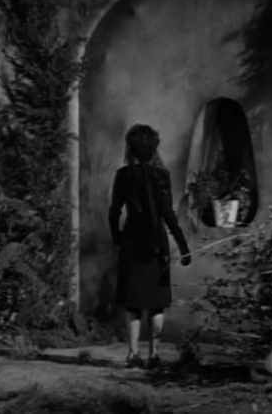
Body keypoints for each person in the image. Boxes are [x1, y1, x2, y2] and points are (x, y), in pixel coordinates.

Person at [108, 124, 191, 369]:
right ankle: (154, 355)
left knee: (133, 303)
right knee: (157, 302)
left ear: (131, 148)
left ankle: (133, 354)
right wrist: (183, 246)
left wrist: (117, 236)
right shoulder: (162, 175)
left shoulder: (123, 175)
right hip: (157, 243)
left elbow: (114, 211)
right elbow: (169, 215)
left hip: (132, 241)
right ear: (154, 148)